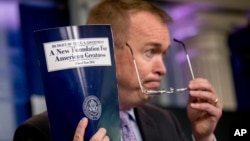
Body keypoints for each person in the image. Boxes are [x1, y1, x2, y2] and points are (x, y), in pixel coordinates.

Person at [14, 0, 222, 141]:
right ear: (107, 50)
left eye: (164, 54)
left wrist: (203, 138)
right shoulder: (38, 132)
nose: (162, 69)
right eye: (150, 52)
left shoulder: (165, 121)